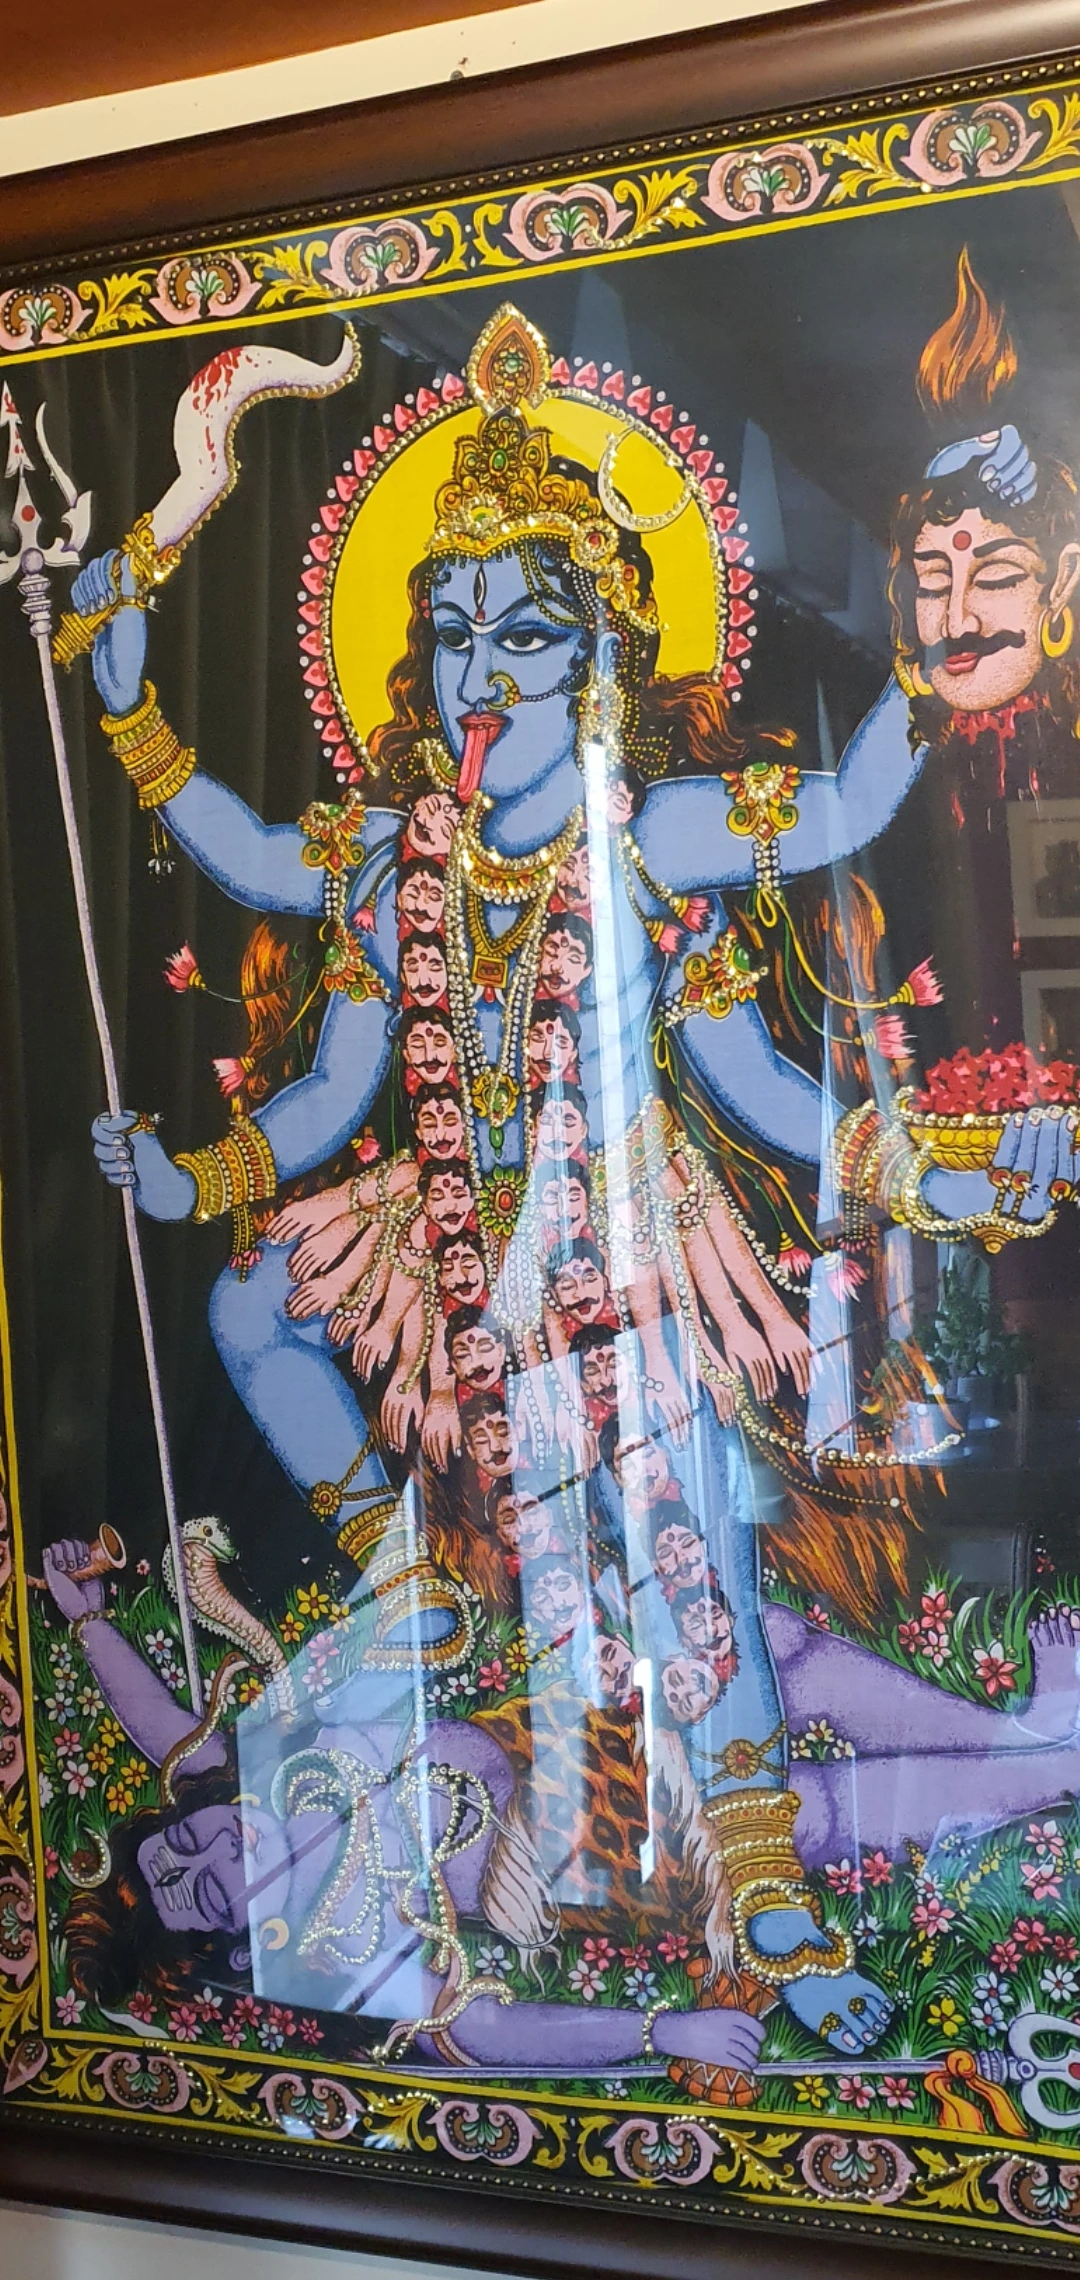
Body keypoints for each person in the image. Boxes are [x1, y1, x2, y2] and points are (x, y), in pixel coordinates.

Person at [81, 304, 952, 2055]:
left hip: (616, 1254)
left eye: (530, 633)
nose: (483, 671)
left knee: (686, 1567)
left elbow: (846, 816)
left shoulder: (652, 830)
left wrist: (943, 655)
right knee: (253, 1303)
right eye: (456, 633)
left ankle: (772, 1911)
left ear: (602, 651)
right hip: (444, 1243)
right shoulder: (395, 854)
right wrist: (130, 706)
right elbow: (317, 1047)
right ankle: (400, 1569)